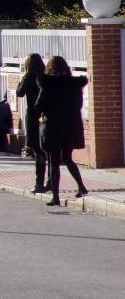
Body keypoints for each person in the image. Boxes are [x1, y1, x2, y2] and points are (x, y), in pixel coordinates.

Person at [33, 56, 88, 206]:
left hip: (53, 126)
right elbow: (78, 105)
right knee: (68, 158)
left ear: (50, 68)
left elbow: (38, 106)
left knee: (54, 161)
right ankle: (81, 186)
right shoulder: (75, 84)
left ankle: (55, 196)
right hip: (71, 125)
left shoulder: (48, 84)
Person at [17, 53, 48, 193]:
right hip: (46, 114)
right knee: (47, 148)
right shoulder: (45, 76)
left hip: (33, 115)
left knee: (37, 148)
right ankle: (50, 181)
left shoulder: (29, 77)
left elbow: (19, 92)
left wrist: (21, 79)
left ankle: (39, 183)